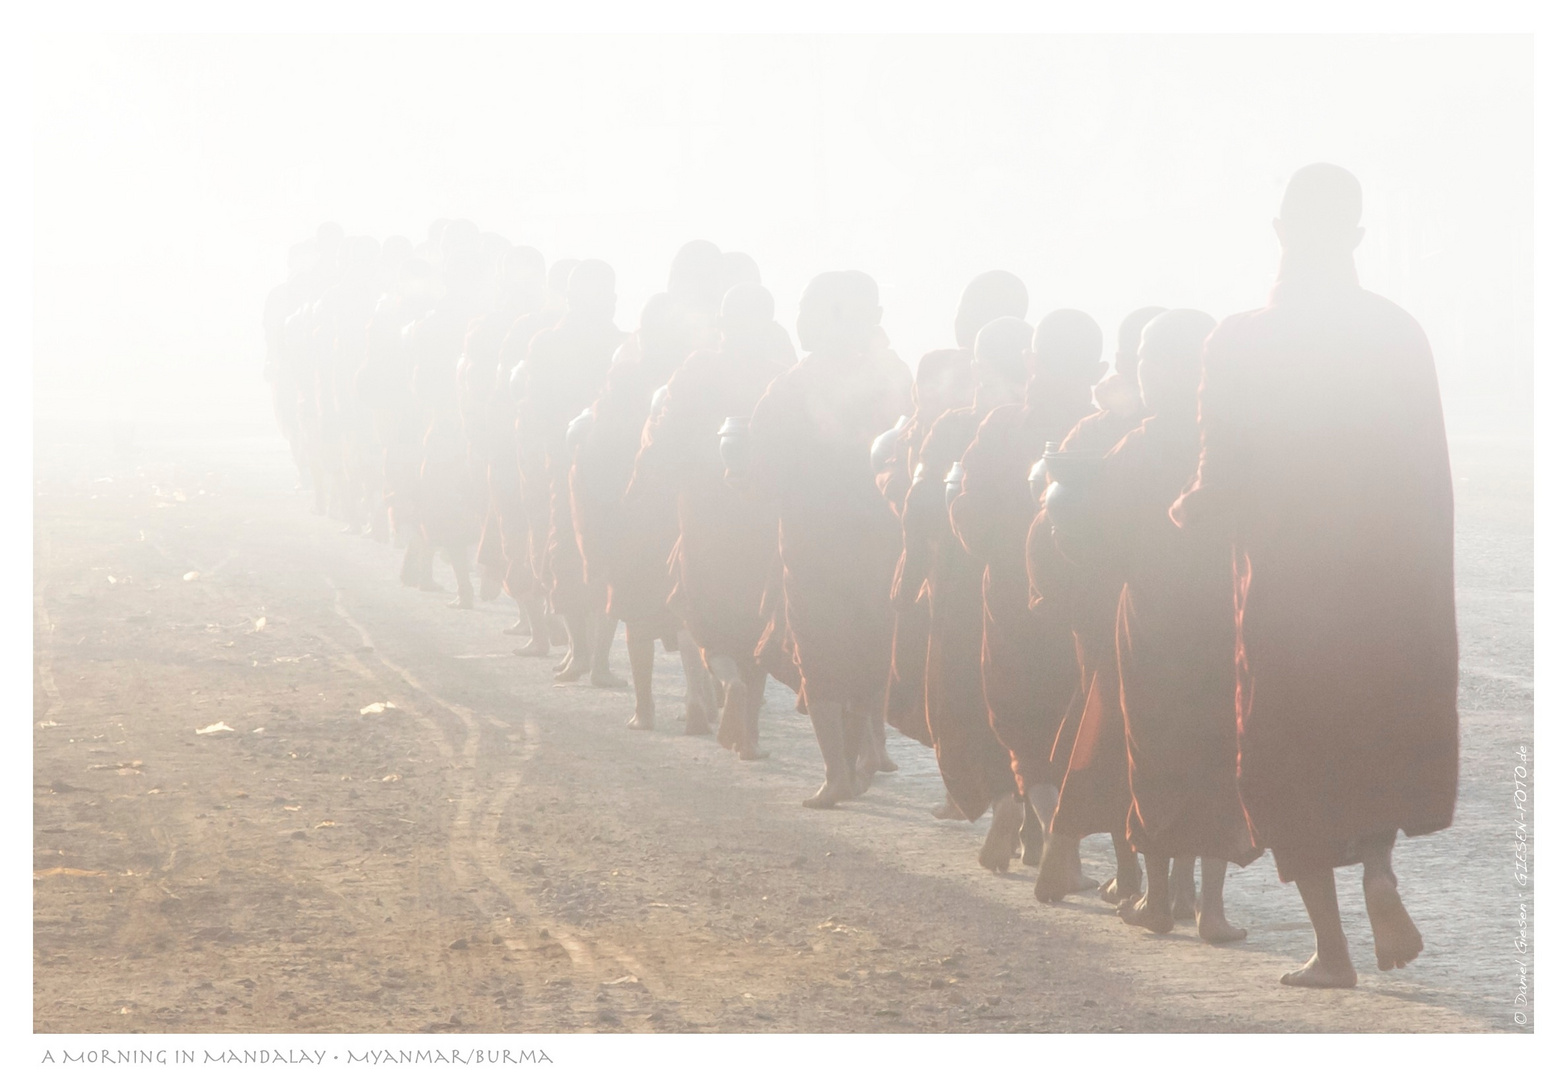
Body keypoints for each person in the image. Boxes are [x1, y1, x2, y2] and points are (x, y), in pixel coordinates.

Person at [1172, 163, 1458, 987]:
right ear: (1359, 238)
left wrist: (1183, 513)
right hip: (1385, 584)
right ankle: (1377, 868)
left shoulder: (1238, 340)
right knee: (1372, 727)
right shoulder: (1396, 332)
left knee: (1288, 750)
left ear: (1278, 234)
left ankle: (1331, 952)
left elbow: (1218, 469)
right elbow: (1425, 469)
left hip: (1288, 588)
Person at [1084, 309, 1257, 941]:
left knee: (1152, 755)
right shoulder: (1230, 439)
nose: (1144, 373)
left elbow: (1099, 537)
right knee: (1218, 755)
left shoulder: (1141, 444)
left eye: (1154, 362)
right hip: (1220, 617)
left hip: (1154, 620)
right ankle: (1211, 909)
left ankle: (1160, 900)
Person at [952, 310, 1107, 897]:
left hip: (1013, 592)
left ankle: (1045, 826)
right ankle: (1069, 840)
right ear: (1096, 369)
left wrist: (993, 549)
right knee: (1078, 719)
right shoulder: (1103, 428)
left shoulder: (1002, 425)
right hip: (1085, 598)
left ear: (1031, 362)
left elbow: (967, 510)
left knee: (1023, 723)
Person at [748, 271, 911, 807]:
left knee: (818, 652)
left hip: (811, 535)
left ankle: (836, 772)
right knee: (869, 645)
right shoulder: (891, 380)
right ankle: (866, 750)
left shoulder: (792, 385)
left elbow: (763, 468)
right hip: (878, 535)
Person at [631, 282, 796, 755]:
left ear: (722, 325)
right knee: (756, 616)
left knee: (701, 608)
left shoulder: (700, 366)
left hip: (702, 507)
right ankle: (751, 737)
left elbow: (665, 432)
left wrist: (645, 481)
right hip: (758, 510)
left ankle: (726, 680)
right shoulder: (778, 376)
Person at [896, 316, 1032, 870]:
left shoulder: (955, 426)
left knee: (962, 701)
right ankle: (1038, 829)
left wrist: (909, 575)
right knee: (1026, 700)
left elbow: (921, 504)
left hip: (957, 580)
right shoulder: (1040, 422)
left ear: (978, 367)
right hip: (1028, 579)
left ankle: (1001, 799)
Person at [515, 259, 626, 681]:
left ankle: (594, 656)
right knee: (573, 557)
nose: (603, 304)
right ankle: (586, 653)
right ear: (573, 299)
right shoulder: (548, 343)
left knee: (594, 558)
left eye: (607, 296)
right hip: (572, 463)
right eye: (594, 296)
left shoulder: (623, 345)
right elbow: (536, 406)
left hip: (602, 466)